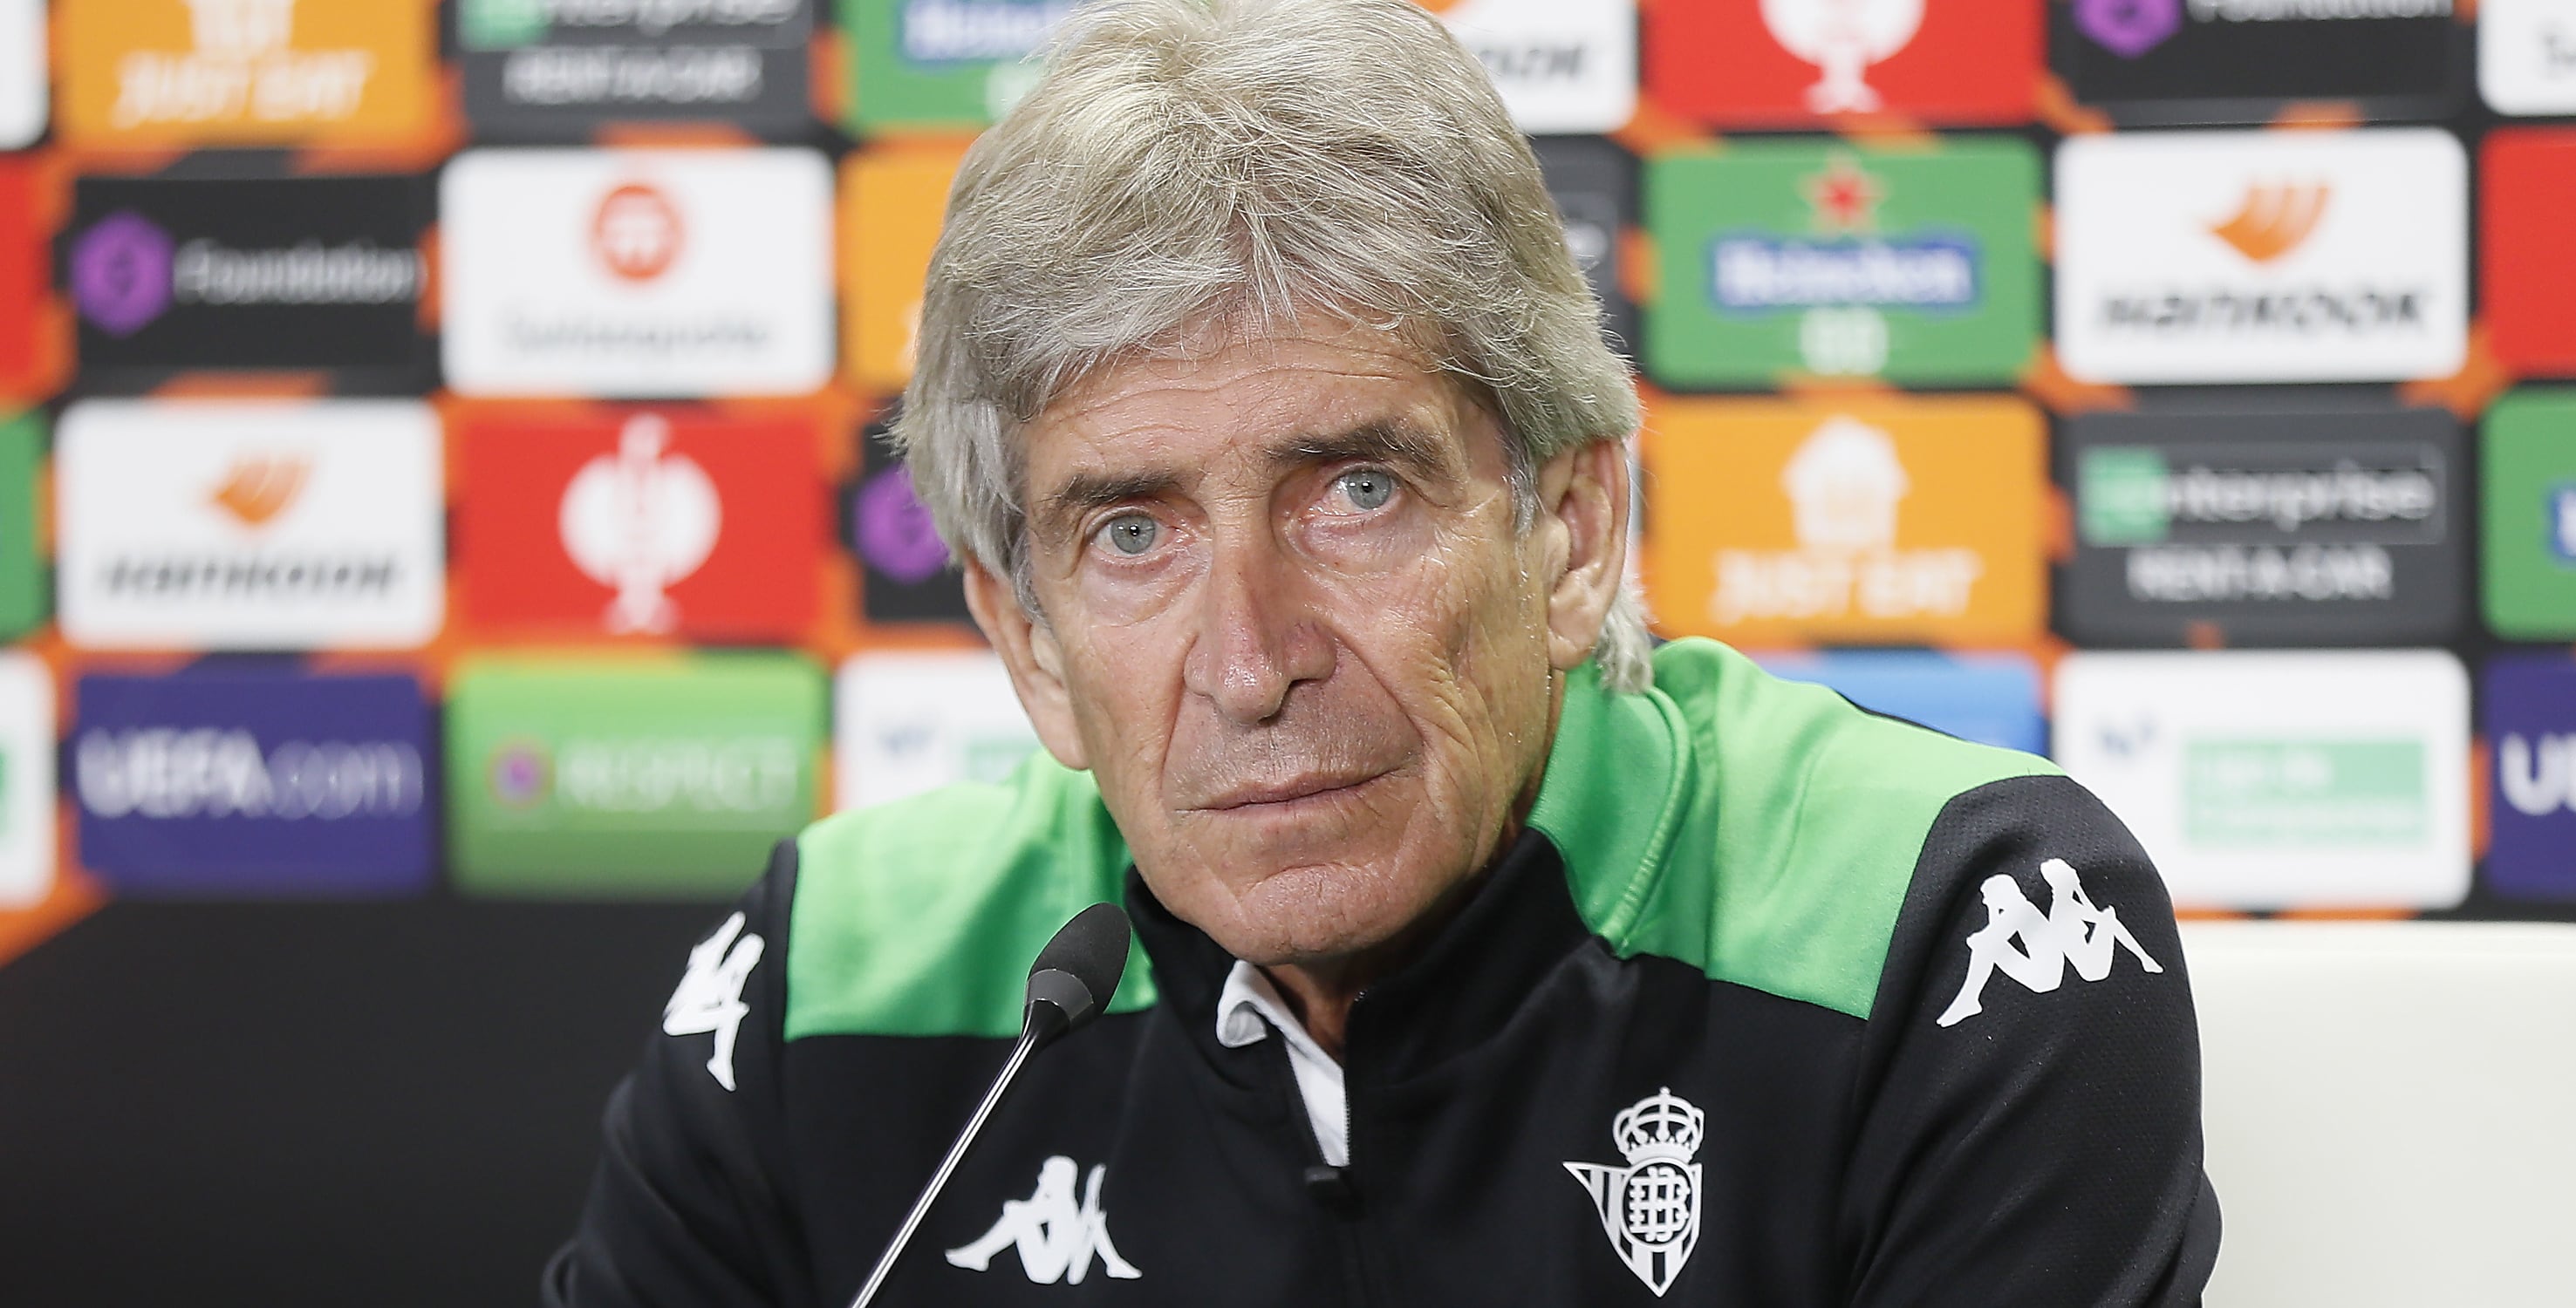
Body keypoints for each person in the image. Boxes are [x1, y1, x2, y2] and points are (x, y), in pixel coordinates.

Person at [543, 0, 2219, 1302]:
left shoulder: (1947, 931)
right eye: (1131, 533)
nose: (1251, 659)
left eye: (1354, 490)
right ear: (1028, 648)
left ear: (1567, 529)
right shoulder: (834, 983)